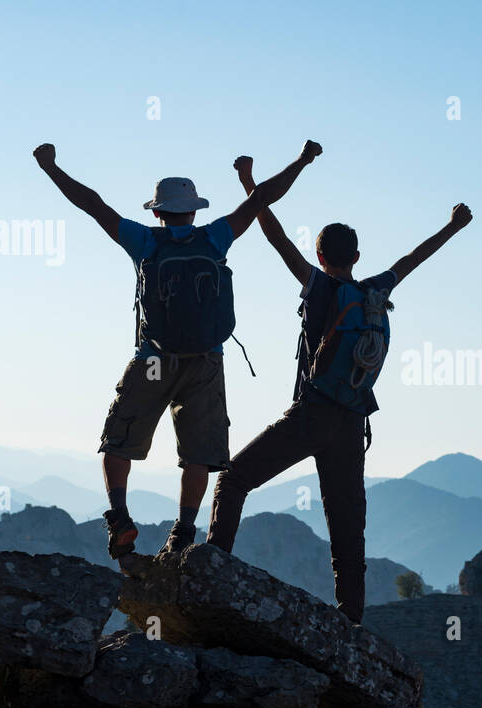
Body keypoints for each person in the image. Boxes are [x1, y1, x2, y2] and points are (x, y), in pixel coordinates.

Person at [206, 154, 472, 623]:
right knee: (348, 534)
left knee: (232, 480)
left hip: (309, 417)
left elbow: (274, 235)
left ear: (320, 255)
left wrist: (249, 181)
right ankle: (349, 627)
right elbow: (411, 260)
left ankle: (207, 578)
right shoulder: (374, 293)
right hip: (352, 425)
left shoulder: (317, 286)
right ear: (357, 257)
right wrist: (454, 227)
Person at [32, 140, 323, 558]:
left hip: (153, 357)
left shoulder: (145, 242)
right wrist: (302, 160)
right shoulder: (216, 236)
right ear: (194, 210)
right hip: (206, 359)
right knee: (199, 455)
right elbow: (262, 198)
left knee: (118, 442)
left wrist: (50, 168)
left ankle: (119, 517)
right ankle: (183, 534)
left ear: (157, 212)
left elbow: (93, 204)